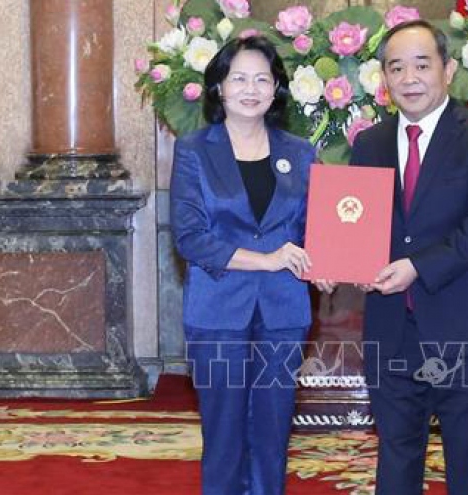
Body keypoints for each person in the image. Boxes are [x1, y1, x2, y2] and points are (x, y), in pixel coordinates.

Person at [349, 20, 468, 495]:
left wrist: (417, 267)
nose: (409, 78)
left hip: (467, 328)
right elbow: (360, 224)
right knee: (396, 459)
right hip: (392, 330)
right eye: (396, 68)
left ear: (448, 69)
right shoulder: (369, 144)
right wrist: (351, 263)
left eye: (422, 65)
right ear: (384, 79)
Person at [170, 36, 316, 495]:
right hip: (218, 309)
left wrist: (327, 263)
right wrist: (267, 260)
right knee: (224, 433)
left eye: (262, 79)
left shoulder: (300, 151)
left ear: (276, 89)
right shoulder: (194, 150)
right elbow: (191, 237)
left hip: (284, 310)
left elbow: (313, 230)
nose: (251, 89)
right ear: (219, 87)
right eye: (239, 78)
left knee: (273, 431)